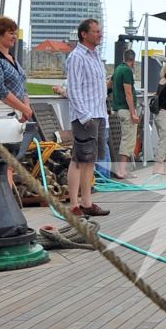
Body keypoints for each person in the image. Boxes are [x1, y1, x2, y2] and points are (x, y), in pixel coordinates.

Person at [53, 17, 109, 217]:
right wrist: (86, 117)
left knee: (90, 161)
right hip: (86, 117)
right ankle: (74, 205)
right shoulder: (77, 57)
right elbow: (74, 89)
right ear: (84, 34)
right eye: (95, 31)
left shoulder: (95, 56)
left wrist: (102, 117)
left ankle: (87, 202)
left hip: (99, 114)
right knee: (78, 160)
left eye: (99, 31)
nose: (100, 34)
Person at [0, 17, 33, 123]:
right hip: (1, 116)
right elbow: (0, 90)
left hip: (18, 115)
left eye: (15, 33)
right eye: (11, 33)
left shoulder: (12, 59)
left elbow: (23, 88)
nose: (15, 37)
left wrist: (26, 109)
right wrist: (24, 109)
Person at [110, 47, 140, 177]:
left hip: (118, 109)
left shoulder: (117, 70)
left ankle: (124, 169)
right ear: (132, 61)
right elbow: (128, 92)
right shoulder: (127, 71)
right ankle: (122, 170)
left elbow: (109, 85)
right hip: (126, 110)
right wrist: (133, 113)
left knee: (126, 139)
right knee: (128, 140)